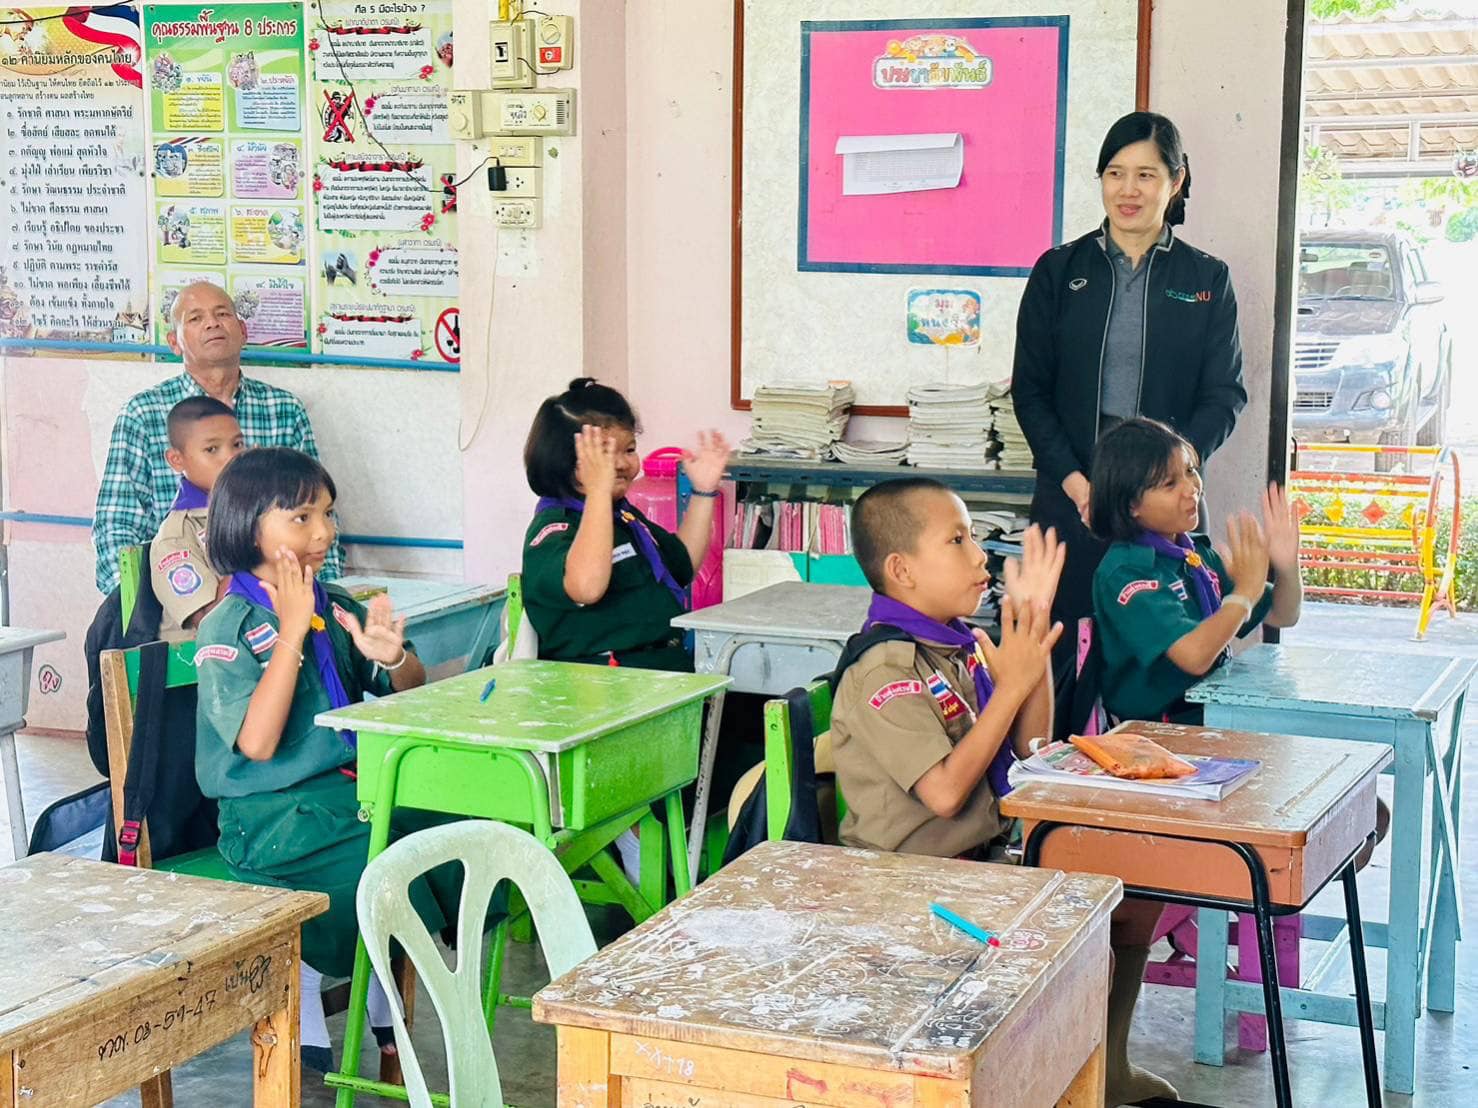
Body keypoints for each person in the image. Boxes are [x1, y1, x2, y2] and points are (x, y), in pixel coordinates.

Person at [828, 477, 1176, 1105]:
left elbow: (1030, 747)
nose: (980, 554)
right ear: (902, 570)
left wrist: (1031, 639)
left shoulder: (952, 646)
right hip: (911, 885)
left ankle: (1110, 1068)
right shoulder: (886, 667)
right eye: (957, 540)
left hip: (981, 862)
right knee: (1077, 938)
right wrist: (1009, 686)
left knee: (1134, 902)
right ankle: (1047, 1085)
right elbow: (943, 793)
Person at [192, 448, 444, 1072]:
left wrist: (391, 658)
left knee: (444, 834)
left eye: (327, 514)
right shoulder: (228, 625)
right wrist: (291, 631)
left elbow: (409, 688)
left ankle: (381, 986)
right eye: (302, 518)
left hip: (340, 795)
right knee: (379, 864)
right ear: (248, 527)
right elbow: (256, 744)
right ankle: (313, 976)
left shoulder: (333, 604)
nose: (324, 532)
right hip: (268, 818)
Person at [1012, 110, 1248, 735]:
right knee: (1059, 653)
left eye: (1146, 174)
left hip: (1163, 507)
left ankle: (1167, 788)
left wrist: (1166, 477)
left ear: (1176, 181)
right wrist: (1079, 485)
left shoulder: (1206, 279)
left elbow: (1225, 394)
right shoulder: (1058, 271)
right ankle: (1052, 789)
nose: (1128, 190)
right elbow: (1030, 393)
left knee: (1168, 661)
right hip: (1072, 496)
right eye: (1115, 173)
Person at [93, 280, 342, 594]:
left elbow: (317, 507)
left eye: (222, 314)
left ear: (243, 331)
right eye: (195, 318)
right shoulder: (143, 414)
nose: (212, 323)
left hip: (276, 596)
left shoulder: (283, 409)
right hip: (178, 598)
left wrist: (324, 596)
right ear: (174, 342)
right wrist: (142, 607)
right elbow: (116, 528)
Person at [1089, 418, 1301, 724]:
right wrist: (1244, 593)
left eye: (1190, 471)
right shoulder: (1127, 574)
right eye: (1169, 484)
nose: (1191, 489)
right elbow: (1194, 656)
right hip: (1156, 729)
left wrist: (1287, 566)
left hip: (1210, 711)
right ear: (1131, 504)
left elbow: (1283, 615)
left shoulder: (1194, 555)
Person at [520, 377, 731, 671]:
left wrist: (703, 491)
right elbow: (586, 587)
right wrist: (598, 491)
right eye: (605, 455)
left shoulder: (623, 517)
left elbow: (682, 565)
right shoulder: (555, 526)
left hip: (662, 670)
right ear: (562, 460)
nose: (621, 464)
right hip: (602, 682)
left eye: (629, 450)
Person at [149, 397, 245, 639]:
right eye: (212, 449)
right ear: (176, 460)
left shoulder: (251, 511)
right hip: (201, 658)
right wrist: (252, 547)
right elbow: (212, 623)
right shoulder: (175, 538)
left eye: (237, 444)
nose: (231, 458)